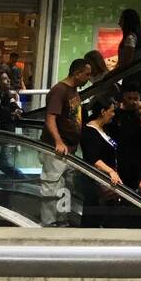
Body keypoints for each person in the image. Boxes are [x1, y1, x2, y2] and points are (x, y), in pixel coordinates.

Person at [40, 58, 91, 225]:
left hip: (70, 149)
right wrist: (58, 141)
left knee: (65, 188)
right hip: (56, 149)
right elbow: (50, 119)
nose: (88, 78)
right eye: (86, 74)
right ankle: (49, 223)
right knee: (52, 187)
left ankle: (62, 221)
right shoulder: (59, 90)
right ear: (77, 73)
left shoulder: (73, 91)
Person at [80, 94, 124, 211]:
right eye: (111, 111)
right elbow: (93, 158)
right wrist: (110, 171)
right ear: (103, 111)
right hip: (97, 184)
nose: (113, 115)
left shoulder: (104, 129)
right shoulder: (89, 132)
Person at [112, 86, 141, 190]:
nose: (133, 102)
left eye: (135, 99)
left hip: (137, 158)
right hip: (120, 158)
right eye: (129, 98)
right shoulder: (116, 113)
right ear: (123, 98)